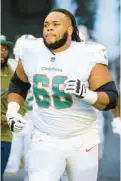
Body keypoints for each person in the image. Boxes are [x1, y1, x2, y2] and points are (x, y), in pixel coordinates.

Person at [6, 9, 118, 181]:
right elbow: (18, 85)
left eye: (55, 24)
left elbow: (111, 98)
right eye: (46, 25)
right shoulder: (31, 51)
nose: (49, 28)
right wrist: (12, 111)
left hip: (82, 140)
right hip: (45, 138)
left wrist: (87, 95)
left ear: (70, 30)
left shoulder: (87, 54)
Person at [0, 35, 26, 181]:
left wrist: (11, 116)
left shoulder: (15, 76)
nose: (1, 52)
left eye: (4, 49)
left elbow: (22, 102)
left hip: (5, 136)